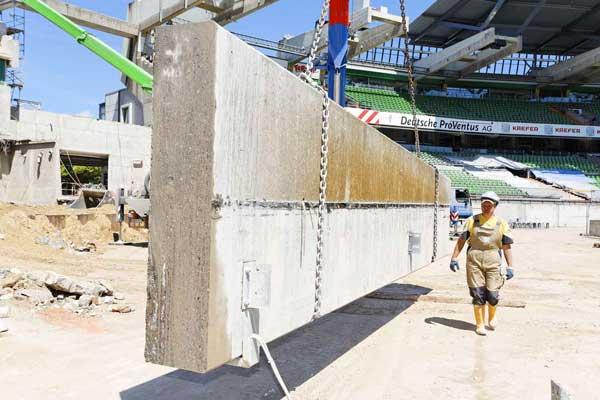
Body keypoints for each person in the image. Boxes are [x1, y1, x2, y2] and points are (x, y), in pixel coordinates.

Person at [449, 191, 515, 336]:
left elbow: (506, 246)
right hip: (474, 260)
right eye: (484, 205)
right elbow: (461, 241)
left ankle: (492, 318)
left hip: (493, 260)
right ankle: (479, 324)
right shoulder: (472, 221)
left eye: (489, 205)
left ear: (495, 206)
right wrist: (454, 258)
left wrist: (510, 266)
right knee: (477, 294)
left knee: (492, 293)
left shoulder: (501, 223)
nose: (486, 207)